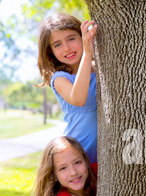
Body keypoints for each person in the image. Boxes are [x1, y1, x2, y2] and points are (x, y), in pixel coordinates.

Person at [36, 13, 98, 164]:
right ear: (51, 51)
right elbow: (78, 98)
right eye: (57, 44)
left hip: (104, 154)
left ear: (82, 36)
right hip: (78, 156)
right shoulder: (60, 78)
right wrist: (88, 54)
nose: (66, 48)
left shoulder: (98, 69)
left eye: (71, 38)